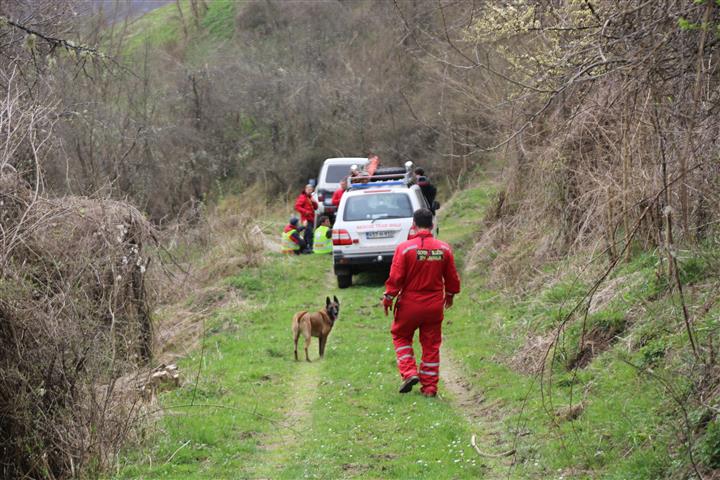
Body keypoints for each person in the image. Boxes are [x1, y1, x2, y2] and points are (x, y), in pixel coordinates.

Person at [382, 208, 460, 397]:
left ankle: (409, 372)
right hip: (434, 305)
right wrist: (449, 295)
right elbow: (451, 278)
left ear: (414, 226)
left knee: (400, 335)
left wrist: (389, 298)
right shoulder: (443, 249)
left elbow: (396, 277)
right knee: (431, 345)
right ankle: (430, 388)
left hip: (410, 304)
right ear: (432, 226)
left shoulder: (404, 248)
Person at [294, 184, 318, 253]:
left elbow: (316, 208)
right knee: (309, 233)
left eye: (311, 190)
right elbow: (297, 206)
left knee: (307, 233)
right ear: (305, 189)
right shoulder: (303, 197)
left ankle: (305, 247)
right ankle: (310, 247)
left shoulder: (310, 197)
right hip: (306, 219)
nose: (310, 191)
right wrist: (305, 212)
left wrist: (314, 202)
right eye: (309, 190)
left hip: (311, 218)